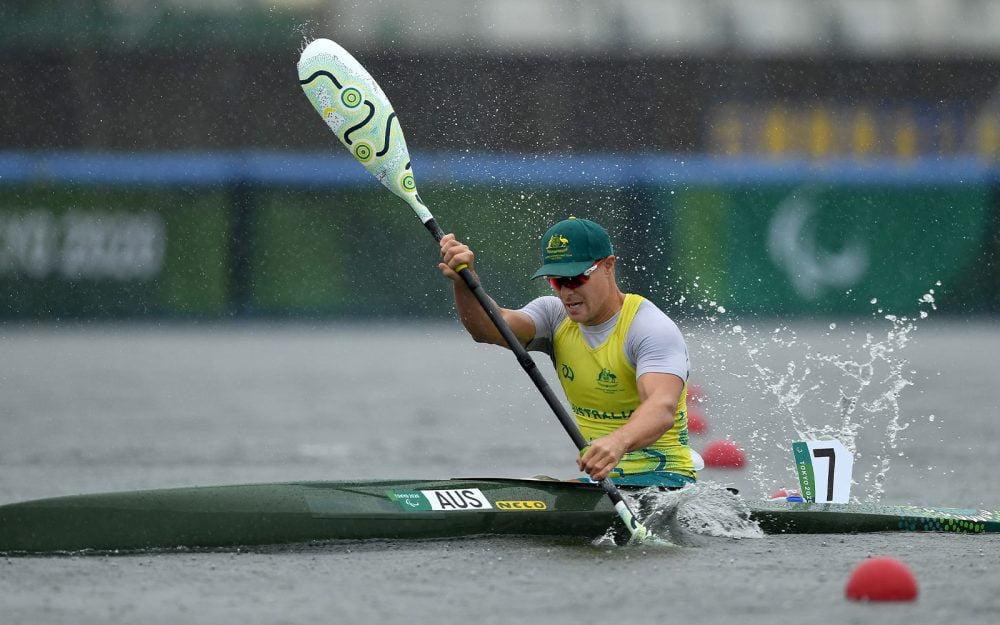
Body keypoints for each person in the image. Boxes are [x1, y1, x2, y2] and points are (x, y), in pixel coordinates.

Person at [438, 217, 698, 488]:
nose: (566, 292)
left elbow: (661, 408)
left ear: (608, 266)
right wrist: (464, 283)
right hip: (601, 483)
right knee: (530, 486)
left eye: (576, 278)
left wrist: (618, 441)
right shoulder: (553, 315)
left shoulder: (648, 328)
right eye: (557, 281)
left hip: (666, 482)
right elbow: (488, 329)